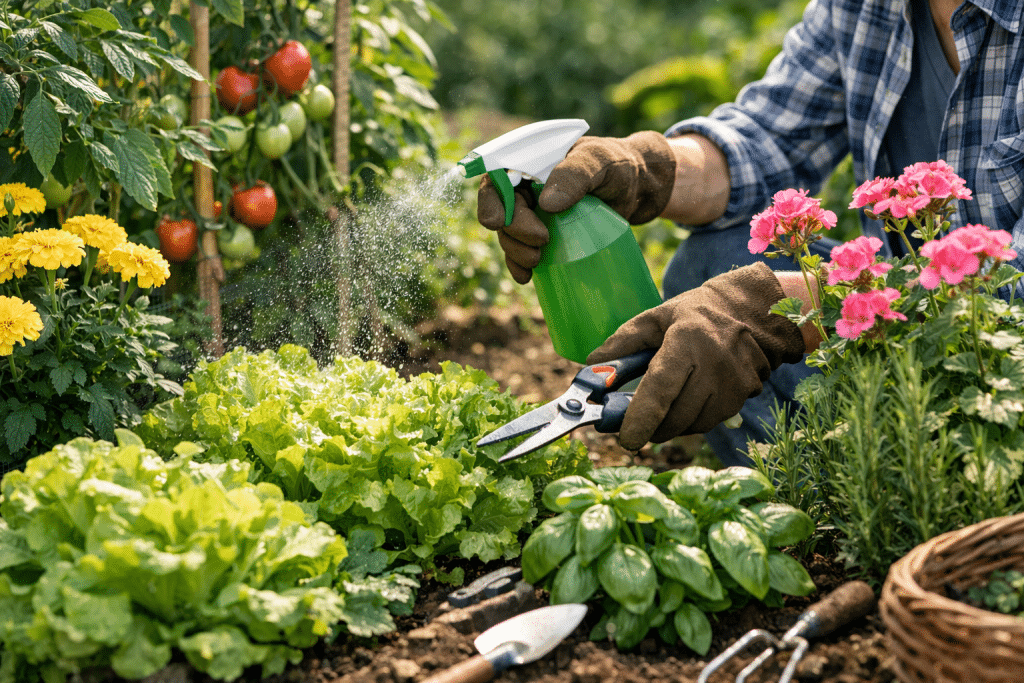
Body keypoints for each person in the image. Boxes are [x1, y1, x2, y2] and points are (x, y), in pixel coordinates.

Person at [475, 0, 1024, 465]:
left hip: (1003, 358)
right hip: (906, 337)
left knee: (739, 303)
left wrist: (793, 307)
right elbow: (772, 137)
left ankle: (886, 498)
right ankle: (851, 482)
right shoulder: (866, 6)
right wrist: (646, 169)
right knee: (712, 263)